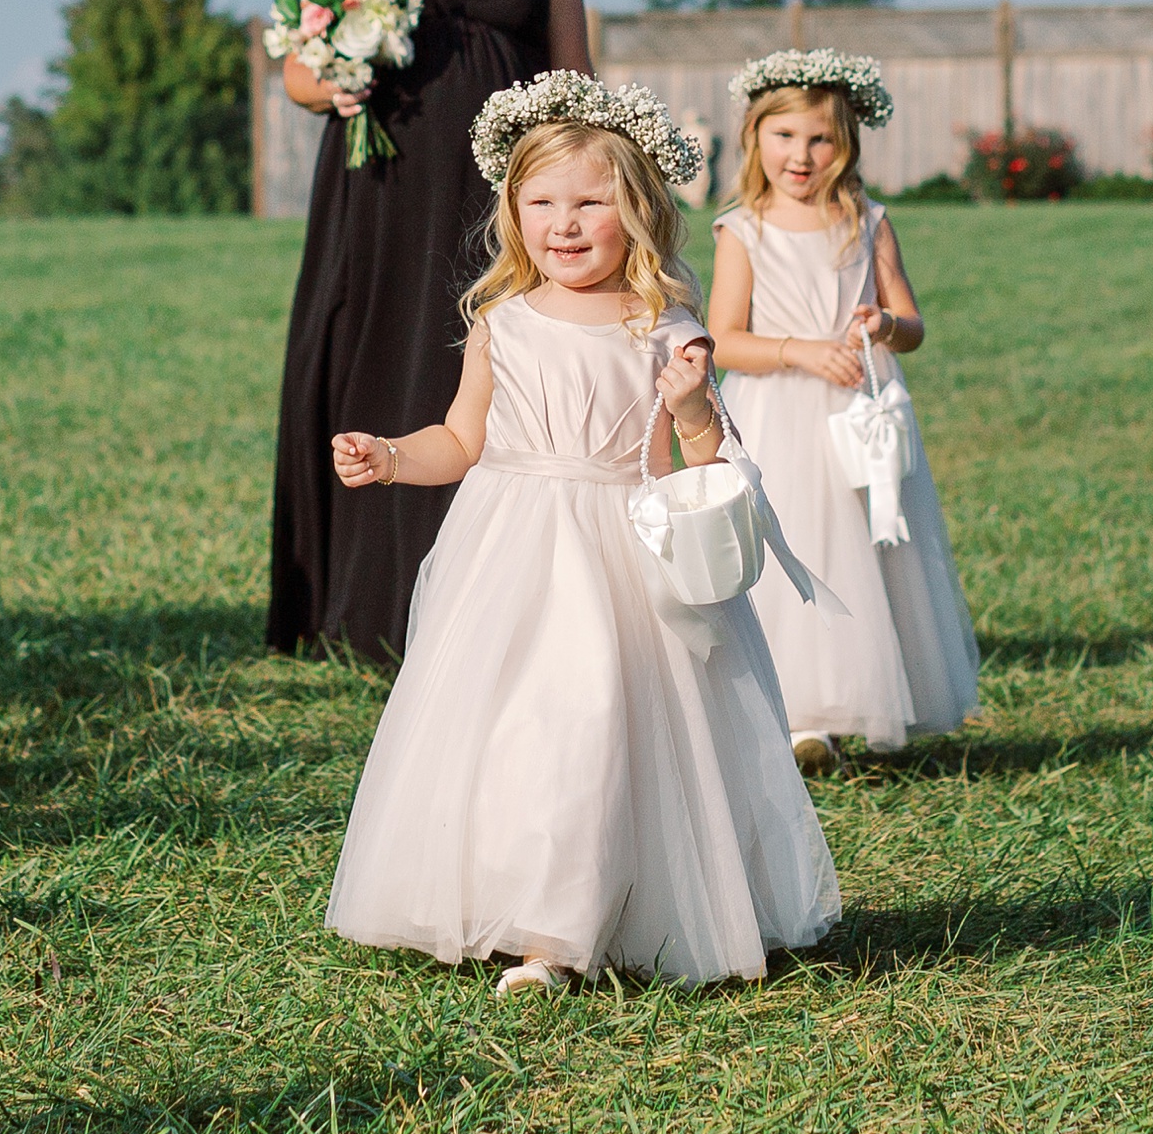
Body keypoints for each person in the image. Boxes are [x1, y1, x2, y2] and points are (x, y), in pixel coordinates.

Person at [323, 77, 841, 994]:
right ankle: (514, 902)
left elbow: (710, 463)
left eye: (590, 201)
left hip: (620, 556)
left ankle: (563, 935)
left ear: (636, 209)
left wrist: (689, 410)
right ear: (512, 212)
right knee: (512, 728)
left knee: (597, 723)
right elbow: (462, 438)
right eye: (541, 202)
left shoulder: (665, 327)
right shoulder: (503, 322)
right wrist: (393, 455)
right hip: (511, 550)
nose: (563, 222)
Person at [266, 0, 593, 667]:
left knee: (482, 366)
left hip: (497, 197)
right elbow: (297, 67)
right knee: (374, 355)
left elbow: (575, 79)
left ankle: (490, 600)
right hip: (383, 192)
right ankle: (361, 604)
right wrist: (330, 85)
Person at [709, 52, 979, 770]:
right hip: (779, 411)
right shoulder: (744, 229)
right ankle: (800, 713)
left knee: (870, 551)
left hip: (858, 413)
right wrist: (799, 348)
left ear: (847, 145)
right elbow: (726, 338)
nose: (802, 155)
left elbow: (913, 323)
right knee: (794, 548)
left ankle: (869, 693)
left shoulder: (866, 220)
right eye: (785, 136)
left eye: (820, 139)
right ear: (754, 136)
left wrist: (884, 326)